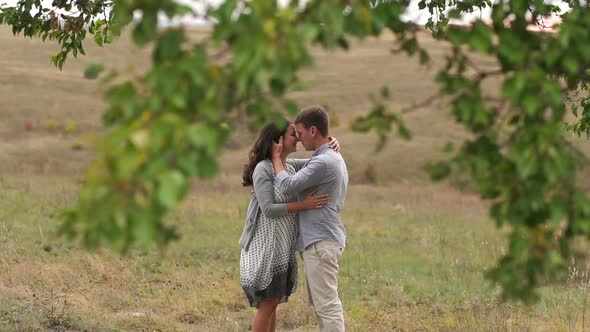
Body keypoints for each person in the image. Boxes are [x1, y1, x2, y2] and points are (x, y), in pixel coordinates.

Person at [239, 119, 340, 332]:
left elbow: (320, 161)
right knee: (266, 306)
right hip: (265, 247)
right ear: (278, 140)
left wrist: (331, 142)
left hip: (282, 247)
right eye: (293, 134)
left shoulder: (291, 166)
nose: (298, 139)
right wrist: (303, 205)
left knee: (273, 304)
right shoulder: (263, 169)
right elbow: (268, 209)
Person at [271, 105, 349, 332]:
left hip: (321, 241)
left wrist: (276, 156)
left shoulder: (324, 161)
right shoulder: (329, 157)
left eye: (301, 133)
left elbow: (286, 185)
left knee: (327, 306)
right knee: (322, 304)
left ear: (313, 131)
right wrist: (279, 159)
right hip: (321, 240)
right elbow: (294, 167)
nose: (299, 138)